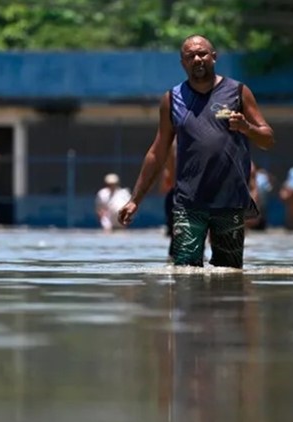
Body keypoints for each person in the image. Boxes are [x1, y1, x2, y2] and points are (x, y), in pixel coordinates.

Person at [118, 35, 275, 268]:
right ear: (183, 63)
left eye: (202, 53)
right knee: (184, 273)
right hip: (188, 203)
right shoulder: (172, 99)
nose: (197, 59)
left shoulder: (238, 92)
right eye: (190, 56)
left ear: (213, 57)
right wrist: (135, 200)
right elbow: (157, 152)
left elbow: (268, 139)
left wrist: (246, 127)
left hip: (229, 202)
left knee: (228, 275)